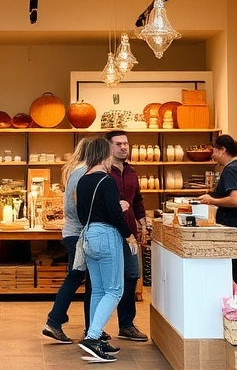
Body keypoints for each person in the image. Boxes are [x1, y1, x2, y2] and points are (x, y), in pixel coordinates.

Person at [75, 137, 137, 362]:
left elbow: (82, 212)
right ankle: (92, 338)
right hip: (107, 236)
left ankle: (96, 338)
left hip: (89, 236)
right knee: (114, 290)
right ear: (105, 154)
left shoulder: (83, 180)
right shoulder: (106, 180)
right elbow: (113, 214)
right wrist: (129, 234)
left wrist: (112, 207)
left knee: (99, 291)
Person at [42, 137, 95, 344]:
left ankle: (64, 322)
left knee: (78, 278)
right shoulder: (83, 173)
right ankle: (58, 321)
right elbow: (77, 207)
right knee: (81, 279)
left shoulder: (75, 171)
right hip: (80, 234)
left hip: (74, 233)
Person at [104, 130, 148, 342]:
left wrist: (142, 221)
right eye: (119, 143)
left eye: (126, 143)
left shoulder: (131, 171)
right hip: (108, 231)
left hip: (129, 233)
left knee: (132, 276)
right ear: (109, 147)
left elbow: (137, 199)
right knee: (104, 282)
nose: (124, 147)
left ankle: (127, 325)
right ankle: (95, 328)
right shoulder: (103, 171)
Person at [197, 134, 237, 286]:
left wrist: (212, 200)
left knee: (232, 264)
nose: (213, 154)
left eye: (214, 150)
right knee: (235, 261)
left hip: (232, 224)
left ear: (222, 150)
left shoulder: (230, 170)